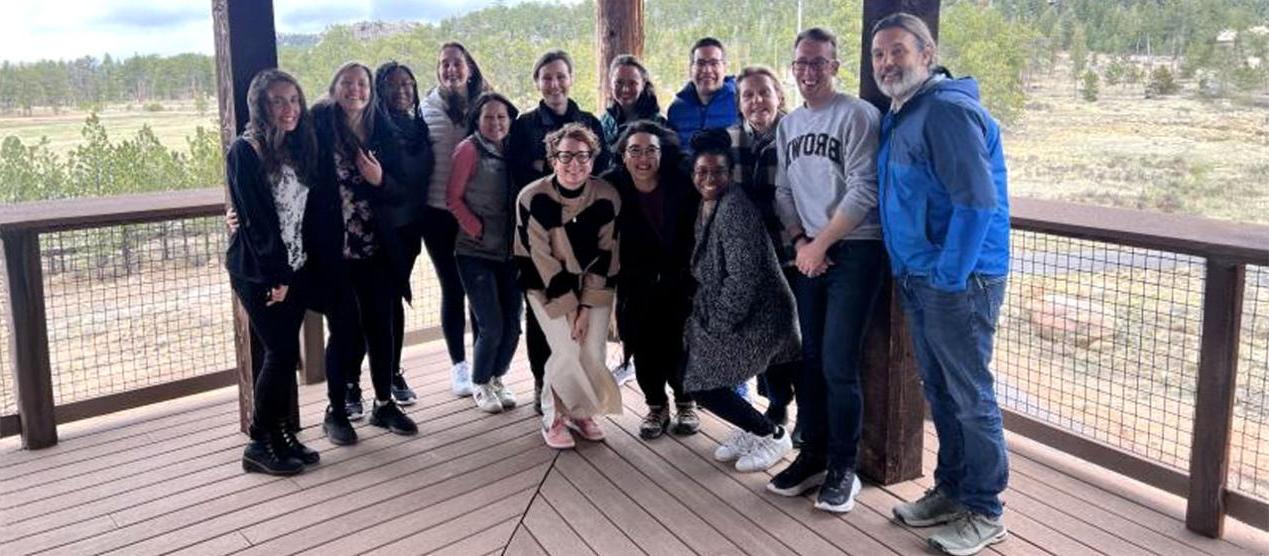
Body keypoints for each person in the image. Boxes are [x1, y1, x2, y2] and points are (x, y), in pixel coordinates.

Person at [872, 13, 1012, 555]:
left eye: (898, 51)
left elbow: (977, 203)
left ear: (926, 54)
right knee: (942, 389)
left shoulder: (947, 111)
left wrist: (950, 276)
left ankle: (985, 509)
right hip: (922, 274)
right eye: (879, 53)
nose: (887, 62)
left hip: (959, 279)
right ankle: (952, 490)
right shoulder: (904, 111)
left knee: (971, 395)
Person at [767, 27, 885, 514]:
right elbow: (784, 191)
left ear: (835, 66)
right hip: (809, 252)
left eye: (818, 63)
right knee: (809, 359)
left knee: (838, 363)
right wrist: (800, 242)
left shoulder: (859, 115)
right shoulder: (789, 125)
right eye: (801, 64)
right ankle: (812, 454)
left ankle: (844, 466)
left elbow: (864, 189)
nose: (809, 72)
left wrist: (821, 244)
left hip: (854, 250)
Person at [225, 68, 326, 475]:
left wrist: (294, 272)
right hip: (260, 270)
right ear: (260, 106)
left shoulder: (294, 146)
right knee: (281, 352)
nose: (289, 108)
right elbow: (257, 221)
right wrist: (277, 278)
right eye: (278, 101)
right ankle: (258, 442)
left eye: (294, 100)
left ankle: (282, 432)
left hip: (295, 265)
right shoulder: (245, 151)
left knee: (283, 355)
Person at [312, 61, 418, 443]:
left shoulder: (383, 130)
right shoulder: (318, 127)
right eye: (347, 83)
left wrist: (380, 179)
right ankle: (336, 410)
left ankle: (384, 404)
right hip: (334, 252)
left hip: (376, 248)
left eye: (362, 84)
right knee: (343, 331)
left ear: (370, 91)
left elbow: (402, 189)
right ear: (334, 87)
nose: (355, 89)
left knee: (382, 327)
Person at [683, 129, 799, 473]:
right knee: (694, 372)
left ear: (729, 174)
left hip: (761, 316)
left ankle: (772, 434)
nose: (709, 179)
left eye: (718, 172)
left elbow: (742, 278)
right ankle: (753, 428)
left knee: (701, 382)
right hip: (739, 311)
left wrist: (716, 324)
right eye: (702, 172)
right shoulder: (707, 204)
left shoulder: (734, 207)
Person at [508, 49, 610, 415]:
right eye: (546, 77)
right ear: (537, 82)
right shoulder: (523, 126)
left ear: (570, 78)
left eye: (560, 76)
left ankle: (580, 391)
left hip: (583, 235)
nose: (554, 83)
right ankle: (543, 383)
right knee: (543, 316)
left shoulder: (590, 122)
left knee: (583, 313)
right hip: (539, 236)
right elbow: (519, 180)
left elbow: (599, 175)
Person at [514, 123, 622, 449]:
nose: (574, 163)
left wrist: (586, 306)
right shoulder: (532, 197)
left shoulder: (607, 196)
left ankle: (581, 411)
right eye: (565, 156)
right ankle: (554, 417)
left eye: (583, 156)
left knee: (593, 351)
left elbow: (607, 254)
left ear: (593, 160)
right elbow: (540, 256)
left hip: (594, 284)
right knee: (566, 348)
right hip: (544, 284)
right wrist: (572, 308)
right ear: (552, 159)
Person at [605, 121, 700, 439]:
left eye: (651, 150)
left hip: (680, 279)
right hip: (635, 282)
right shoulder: (611, 185)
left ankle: (686, 401)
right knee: (643, 346)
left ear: (663, 153)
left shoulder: (681, 183)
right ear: (623, 154)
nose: (643, 158)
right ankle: (656, 405)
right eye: (634, 150)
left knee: (680, 345)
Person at [727, 65, 801, 442]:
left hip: (793, 254)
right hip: (751, 261)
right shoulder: (730, 139)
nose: (757, 101)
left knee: (799, 338)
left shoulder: (796, 133)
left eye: (764, 93)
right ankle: (776, 404)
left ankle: (807, 412)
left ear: (778, 96)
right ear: (739, 103)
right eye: (748, 95)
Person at [421, 42, 491, 398]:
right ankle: (459, 366)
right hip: (436, 213)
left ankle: (483, 363)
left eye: (457, 63)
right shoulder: (426, 107)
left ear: (470, 68)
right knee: (452, 288)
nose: (450, 69)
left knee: (479, 287)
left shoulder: (485, 104)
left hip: (477, 212)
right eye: (444, 63)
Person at [446, 92, 523, 414]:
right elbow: (453, 197)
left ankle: (496, 377)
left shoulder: (514, 148)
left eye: (502, 117)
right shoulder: (468, 149)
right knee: (490, 324)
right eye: (489, 117)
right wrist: (476, 228)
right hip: (475, 250)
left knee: (514, 324)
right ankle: (479, 381)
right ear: (477, 119)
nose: (496, 123)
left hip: (510, 251)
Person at [666, 37, 738, 157]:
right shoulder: (677, 109)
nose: (707, 70)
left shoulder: (740, 102)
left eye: (714, 63)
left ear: (725, 67)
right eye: (700, 63)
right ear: (691, 68)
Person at [599, 55, 667, 163]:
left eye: (632, 83)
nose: (625, 89)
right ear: (611, 84)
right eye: (619, 83)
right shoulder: (604, 122)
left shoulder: (659, 123)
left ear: (643, 84)